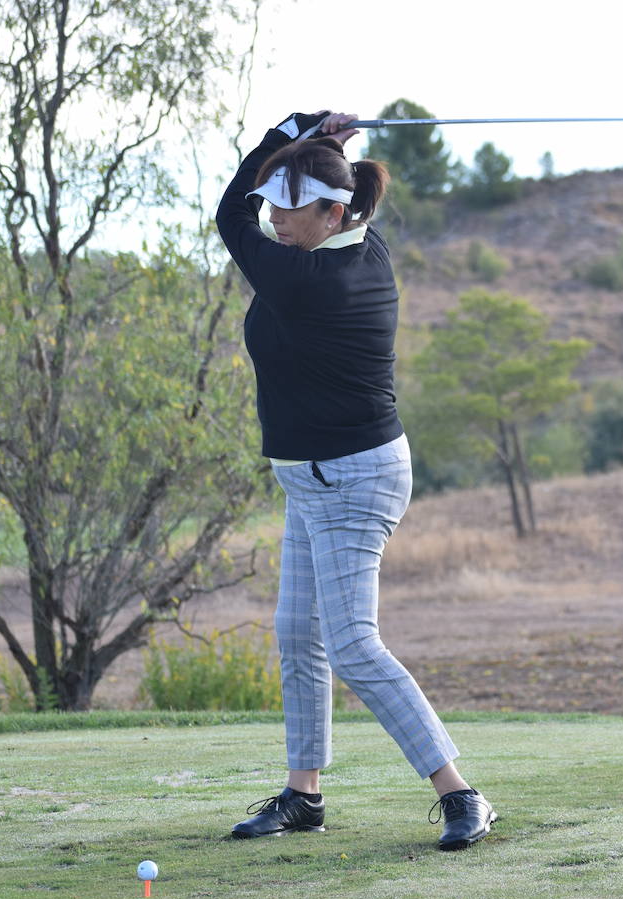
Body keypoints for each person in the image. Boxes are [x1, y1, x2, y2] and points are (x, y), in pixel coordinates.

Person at [215, 109, 496, 851]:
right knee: (296, 633)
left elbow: (227, 212)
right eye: (274, 204)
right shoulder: (357, 243)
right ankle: (303, 796)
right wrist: (311, 147)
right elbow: (259, 205)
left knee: (351, 645)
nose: (273, 219)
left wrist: (287, 130)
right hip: (309, 478)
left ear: (334, 211)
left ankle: (462, 794)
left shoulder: (313, 278)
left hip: (354, 477)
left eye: (289, 208)